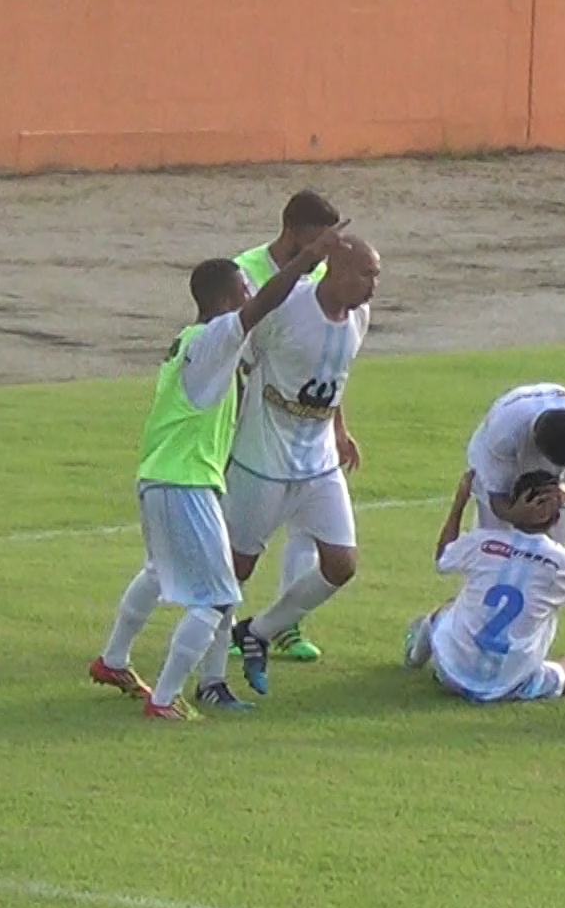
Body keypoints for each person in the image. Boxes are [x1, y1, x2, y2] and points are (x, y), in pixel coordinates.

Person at [88, 223, 346, 720]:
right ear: (228, 298)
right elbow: (263, 305)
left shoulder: (188, 340)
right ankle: (165, 700)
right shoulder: (216, 337)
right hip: (185, 482)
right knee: (217, 596)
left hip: (159, 474)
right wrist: (305, 258)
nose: (250, 293)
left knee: (160, 571)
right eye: (243, 289)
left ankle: (113, 659)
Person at [225, 234, 380, 695]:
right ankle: (209, 673)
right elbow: (241, 361)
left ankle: (258, 632)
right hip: (262, 459)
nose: (373, 286)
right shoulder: (286, 310)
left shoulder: (360, 317)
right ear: (334, 270)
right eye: (365, 275)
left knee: (341, 565)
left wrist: (338, 428)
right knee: (236, 568)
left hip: (319, 463)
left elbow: (335, 374)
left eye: (377, 276)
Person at [403, 469, 565, 703]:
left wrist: (460, 501)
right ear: (558, 516)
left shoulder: (485, 541)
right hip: (510, 683)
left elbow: (443, 558)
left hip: (450, 674)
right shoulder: (563, 562)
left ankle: (415, 656)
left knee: (444, 612)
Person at [226, 188, 341, 662]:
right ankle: (222, 627)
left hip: (305, 424)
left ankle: (285, 625)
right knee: (238, 542)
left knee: (309, 527)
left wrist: (337, 424)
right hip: (249, 420)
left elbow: (325, 359)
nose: (317, 259)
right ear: (289, 230)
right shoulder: (245, 271)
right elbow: (228, 349)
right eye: (313, 245)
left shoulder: (319, 276)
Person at [466, 383, 565, 545]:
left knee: (554, 551)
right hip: (500, 452)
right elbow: (498, 500)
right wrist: (518, 513)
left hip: (535, 438)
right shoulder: (504, 435)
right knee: (495, 544)